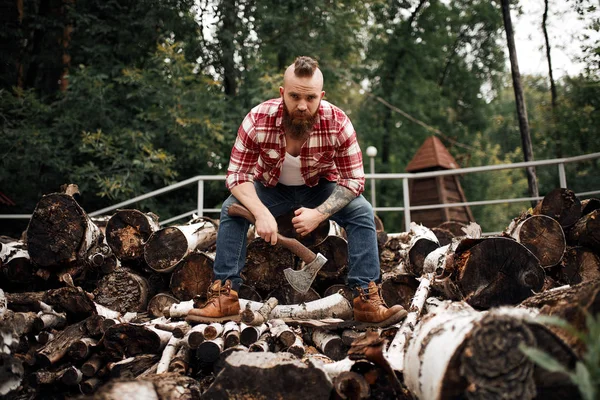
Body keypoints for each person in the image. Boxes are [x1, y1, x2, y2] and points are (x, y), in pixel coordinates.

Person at [186, 56, 405, 325]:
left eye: (311, 98)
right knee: (231, 210)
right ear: (282, 93)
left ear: (321, 96)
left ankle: (365, 300)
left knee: (362, 211)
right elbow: (237, 175)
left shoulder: (338, 122)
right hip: (269, 188)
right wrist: (260, 212)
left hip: (319, 189)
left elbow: (354, 180)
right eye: (294, 97)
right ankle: (225, 296)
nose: (302, 106)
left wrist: (319, 214)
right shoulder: (257, 119)